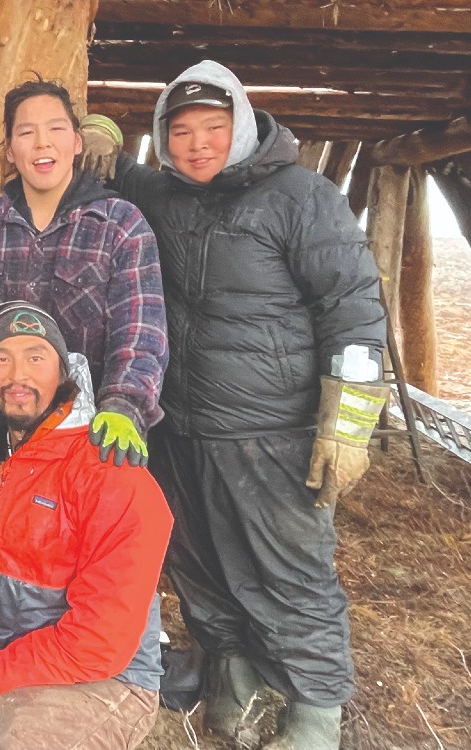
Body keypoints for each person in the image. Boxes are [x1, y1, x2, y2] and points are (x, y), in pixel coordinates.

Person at [79, 60, 389, 750]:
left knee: (290, 572)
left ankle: (315, 714)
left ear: (243, 126)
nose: (196, 145)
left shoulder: (303, 198)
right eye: (180, 131)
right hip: (178, 426)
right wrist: (97, 125)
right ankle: (233, 680)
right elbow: (104, 160)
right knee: (198, 563)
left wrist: (349, 423)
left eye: (213, 129)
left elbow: (355, 311)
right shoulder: (160, 193)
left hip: (271, 431)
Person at [0, 78, 169, 735]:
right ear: (9, 150)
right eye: (25, 132)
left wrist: (128, 405)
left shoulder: (120, 225)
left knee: (84, 561)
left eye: (54, 129)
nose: (41, 143)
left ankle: (77, 685)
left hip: (85, 438)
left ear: (78, 142)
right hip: (5, 433)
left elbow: (143, 326)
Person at [0, 301, 173, 750]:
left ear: (63, 370)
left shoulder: (111, 475)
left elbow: (98, 644)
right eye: (1, 358)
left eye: (36, 357)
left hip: (105, 680)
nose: (18, 375)